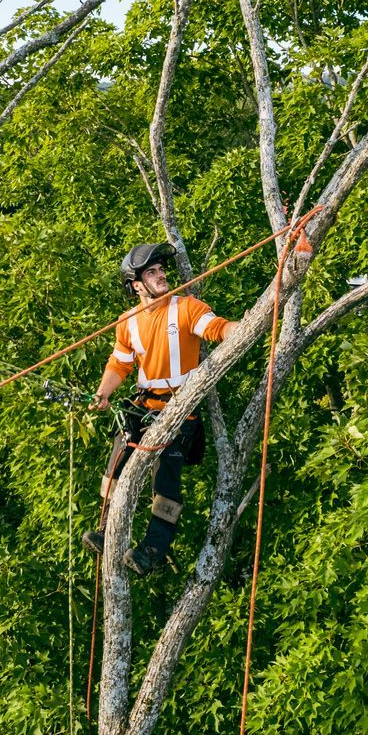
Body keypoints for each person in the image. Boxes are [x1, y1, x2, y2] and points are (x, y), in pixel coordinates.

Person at [87, 242, 231, 575]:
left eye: (161, 269)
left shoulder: (187, 308)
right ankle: (108, 528)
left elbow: (217, 328)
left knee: (165, 478)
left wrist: (247, 326)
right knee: (117, 460)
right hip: (145, 404)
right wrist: (103, 393)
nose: (161, 274)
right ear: (137, 285)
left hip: (179, 410)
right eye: (151, 272)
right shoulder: (128, 323)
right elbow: (119, 364)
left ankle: (154, 548)